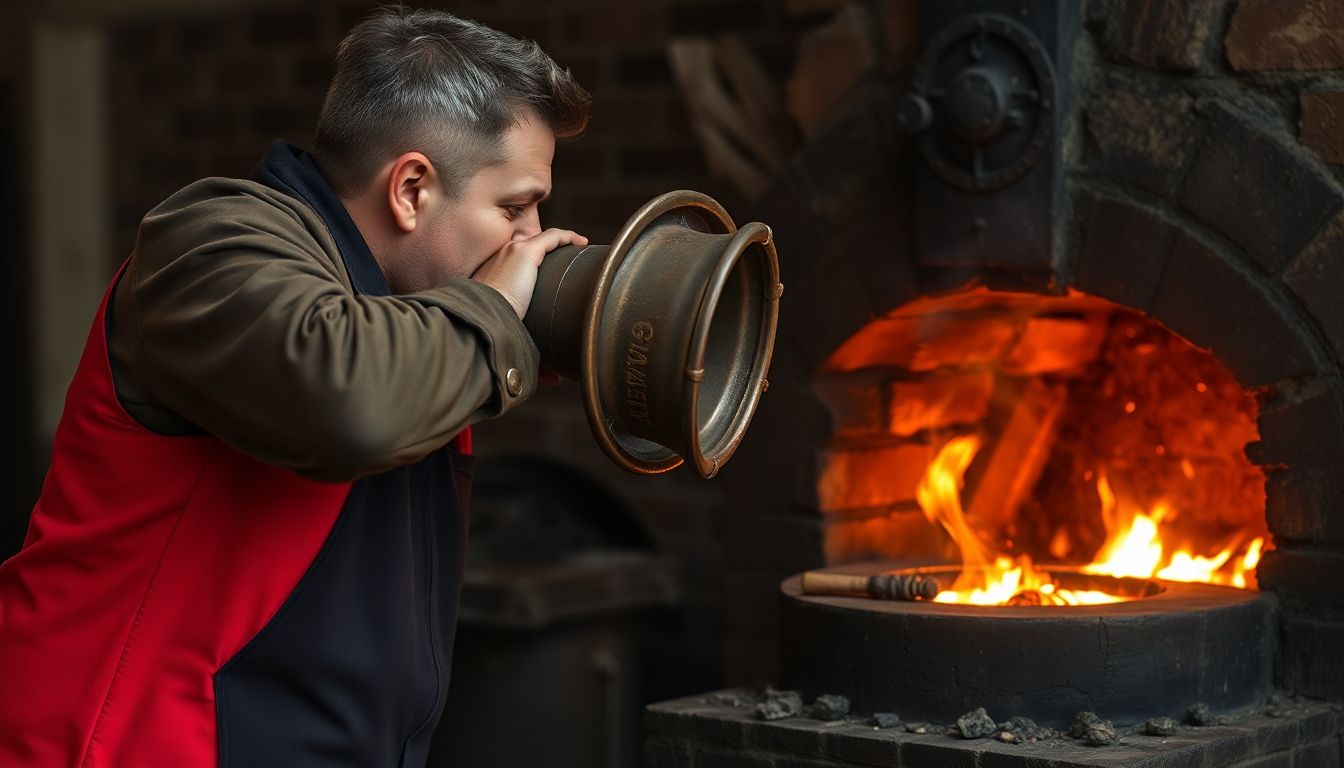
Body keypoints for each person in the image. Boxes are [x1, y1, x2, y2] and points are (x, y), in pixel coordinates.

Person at [0, 7, 590, 766]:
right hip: (118, 743)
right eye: (515, 206)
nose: (534, 237)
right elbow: (348, 402)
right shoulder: (209, 241)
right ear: (411, 188)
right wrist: (494, 324)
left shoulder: (419, 320)